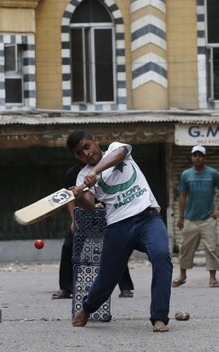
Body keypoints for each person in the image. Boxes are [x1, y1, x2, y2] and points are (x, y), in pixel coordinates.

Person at [66, 131, 172, 333]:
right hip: (118, 225)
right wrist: (79, 196)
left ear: (95, 140)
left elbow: (121, 154)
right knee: (108, 277)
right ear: (77, 157)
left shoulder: (115, 148)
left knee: (161, 256)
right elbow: (89, 205)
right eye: (80, 153)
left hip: (148, 217)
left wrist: (95, 173)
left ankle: (159, 317)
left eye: (87, 146)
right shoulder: (82, 176)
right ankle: (88, 307)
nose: (86, 154)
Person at [53, 162, 135, 300]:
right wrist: (74, 218)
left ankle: (125, 287)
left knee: (116, 247)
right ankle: (66, 288)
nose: (85, 155)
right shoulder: (72, 173)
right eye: (79, 153)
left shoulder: (106, 168)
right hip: (84, 214)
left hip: (107, 213)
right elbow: (69, 198)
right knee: (68, 246)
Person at [173, 145, 219, 288]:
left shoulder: (212, 173)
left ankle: (213, 278)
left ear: (204, 157)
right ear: (192, 157)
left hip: (208, 219)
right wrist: (181, 217)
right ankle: (182, 275)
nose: (197, 157)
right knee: (185, 248)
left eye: (200, 155)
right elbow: (182, 196)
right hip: (190, 219)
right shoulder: (186, 175)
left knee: (212, 248)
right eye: (195, 155)